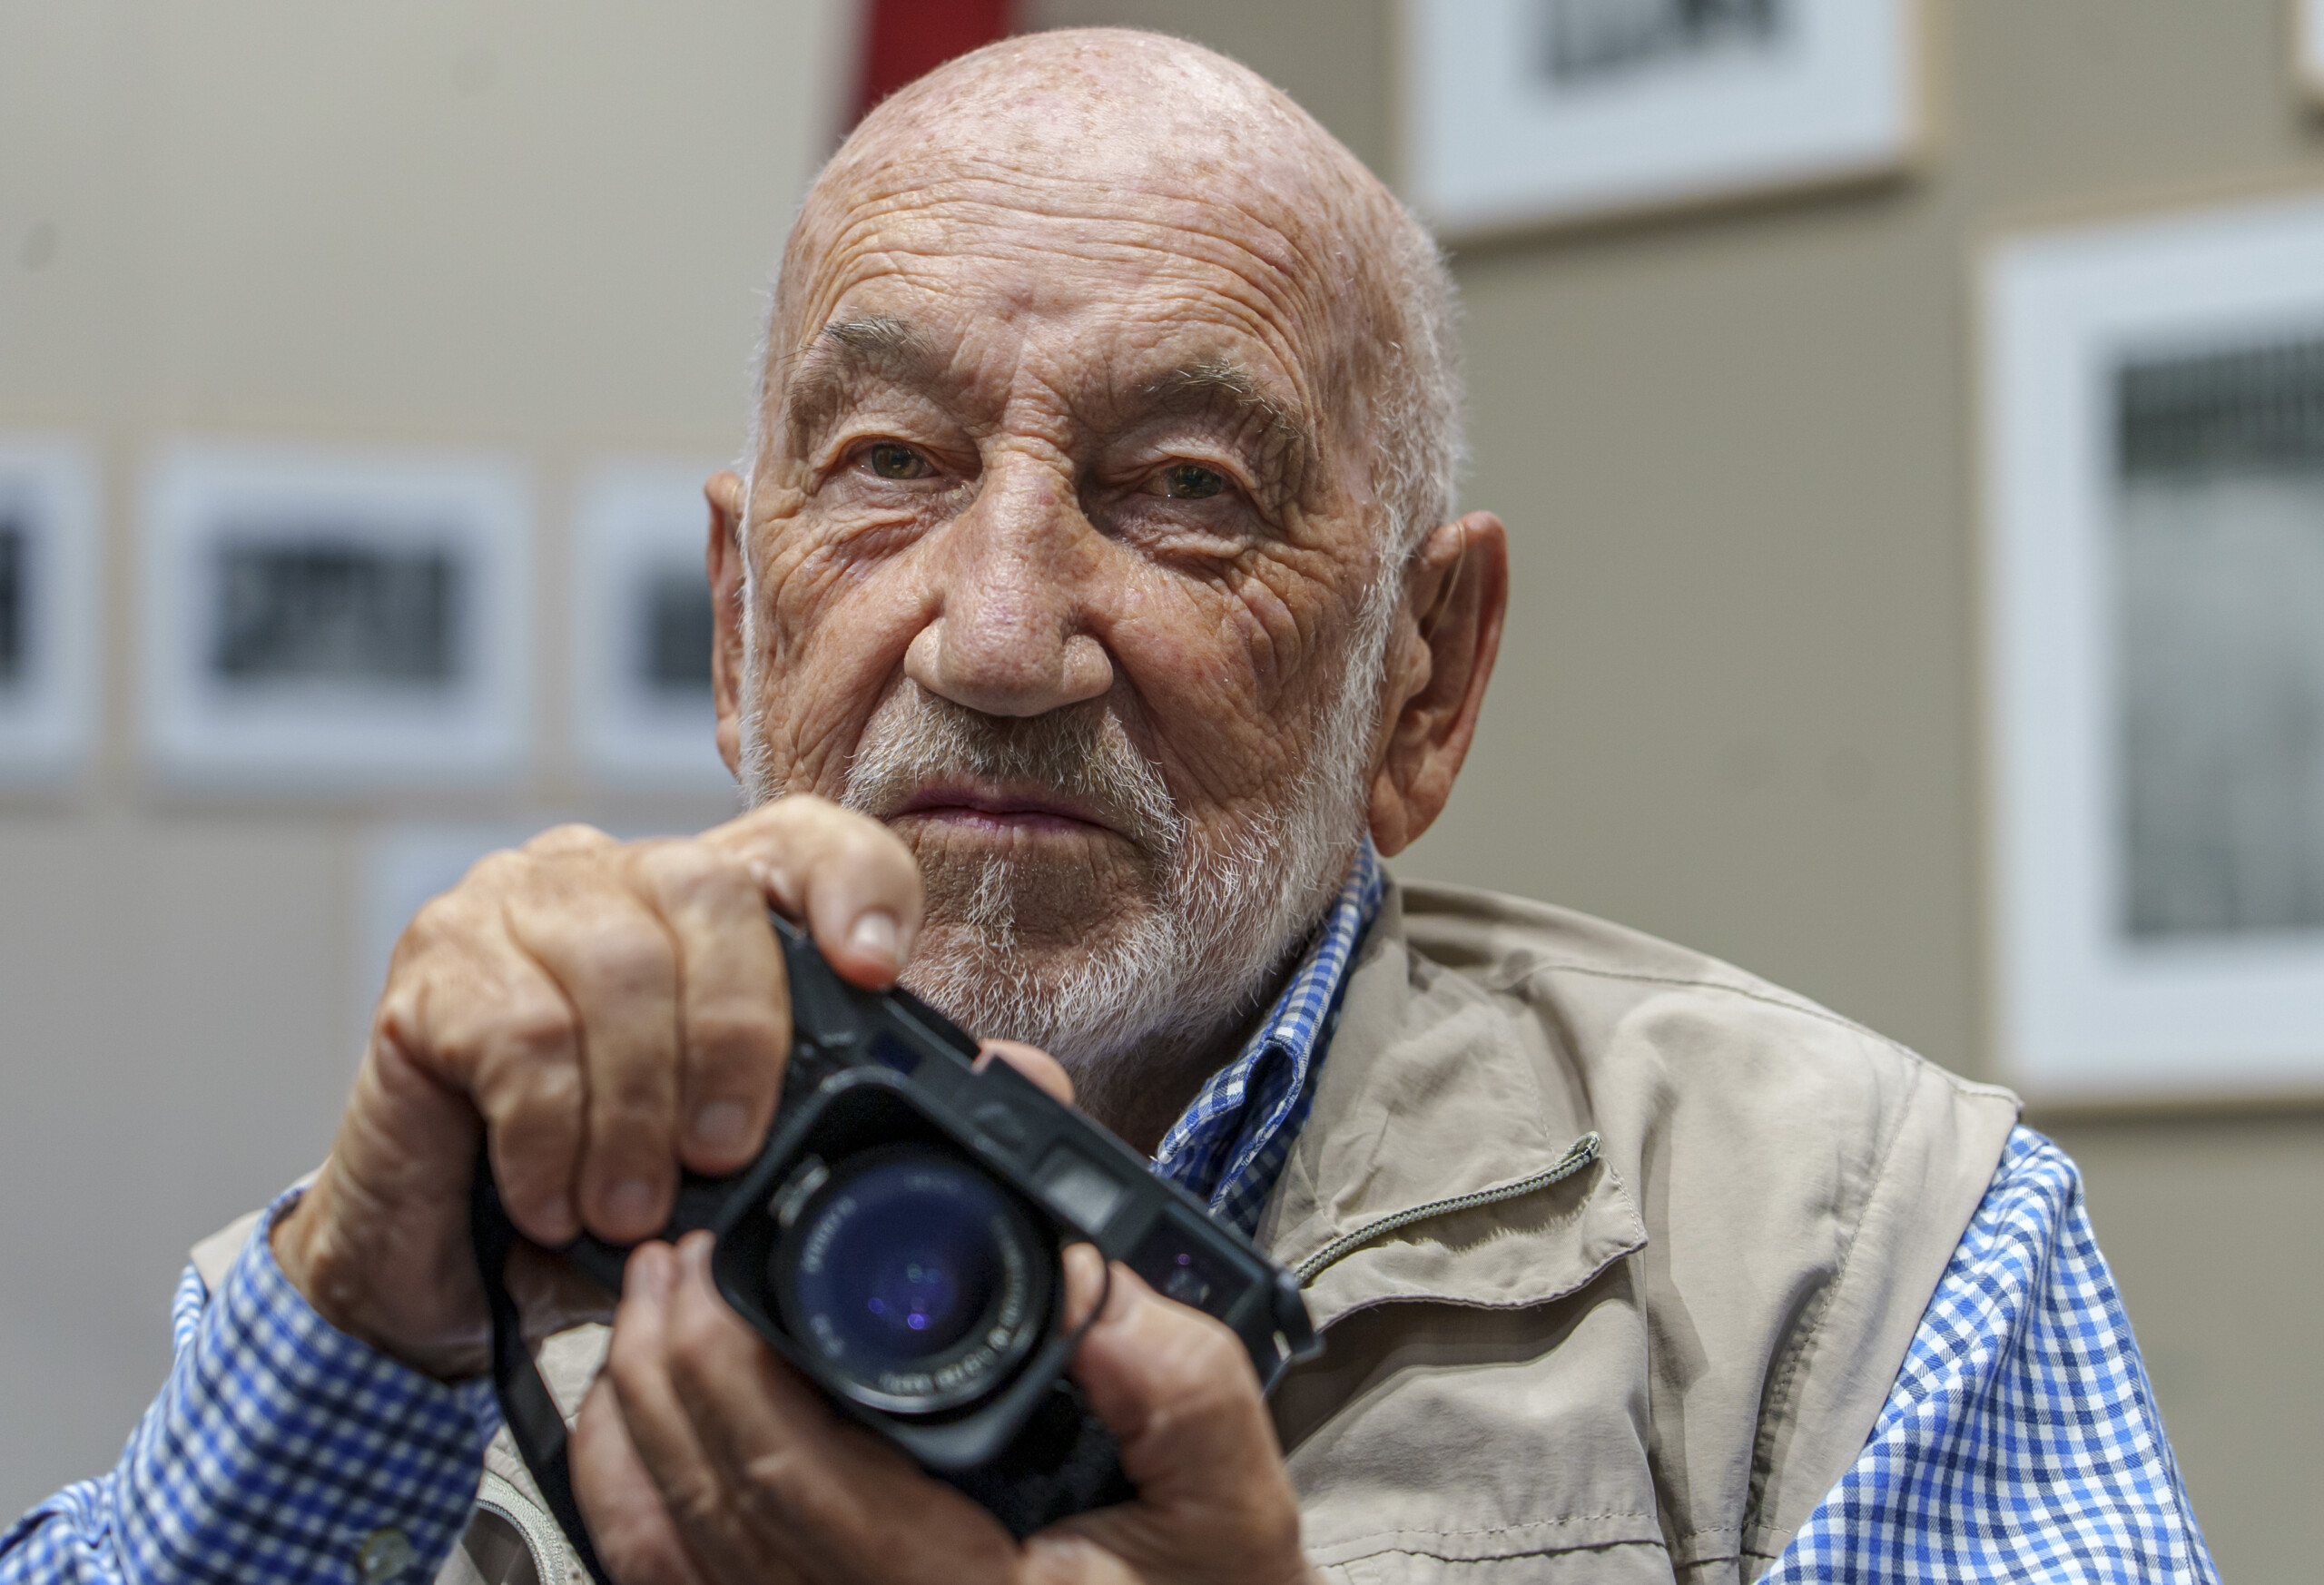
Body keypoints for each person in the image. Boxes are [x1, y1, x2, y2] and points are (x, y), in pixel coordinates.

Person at [3, 27, 2215, 1585]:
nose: (993, 632)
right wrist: (353, 1329)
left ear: (1419, 681)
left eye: (1180, 491)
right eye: (884, 465)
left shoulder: (1853, 1253)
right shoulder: (440, 1235)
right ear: (731, 628)